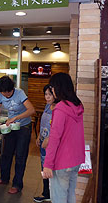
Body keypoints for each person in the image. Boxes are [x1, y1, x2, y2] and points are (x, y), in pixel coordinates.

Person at [0, 76, 35, 194]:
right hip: (11, 127)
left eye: (4, 92)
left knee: (20, 156)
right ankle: (4, 178)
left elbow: (31, 110)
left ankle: (17, 184)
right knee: (6, 153)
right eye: (1, 92)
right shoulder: (1, 95)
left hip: (23, 127)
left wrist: (16, 117)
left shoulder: (20, 93)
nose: (2, 94)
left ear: (10, 89)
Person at [42, 73, 85, 203]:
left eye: (53, 87)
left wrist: (48, 164)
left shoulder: (60, 108)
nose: (52, 90)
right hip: (76, 159)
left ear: (58, 88)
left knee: (59, 198)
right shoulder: (77, 105)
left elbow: (55, 138)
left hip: (62, 161)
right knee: (70, 196)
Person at [33, 84, 55, 203]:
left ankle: (53, 194)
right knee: (44, 168)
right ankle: (46, 193)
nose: (47, 97)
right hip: (43, 142)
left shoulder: (57, 108)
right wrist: (39, 137)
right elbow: (43, 124)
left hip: (51, 144)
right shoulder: (47, 106)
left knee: (51, 168)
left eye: (49, 95)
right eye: (45, 94)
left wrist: (49, 139)